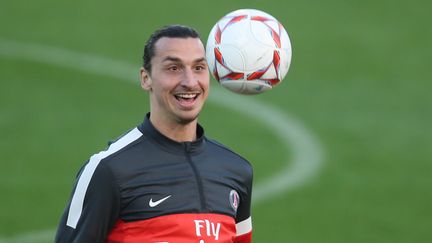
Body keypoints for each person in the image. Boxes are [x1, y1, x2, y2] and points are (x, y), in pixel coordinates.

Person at [55, 25, 253, 243]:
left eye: (198, 67)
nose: (189, 81)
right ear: (145, 78)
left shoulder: (236, 171)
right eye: (173, 68)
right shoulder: (109, 170)